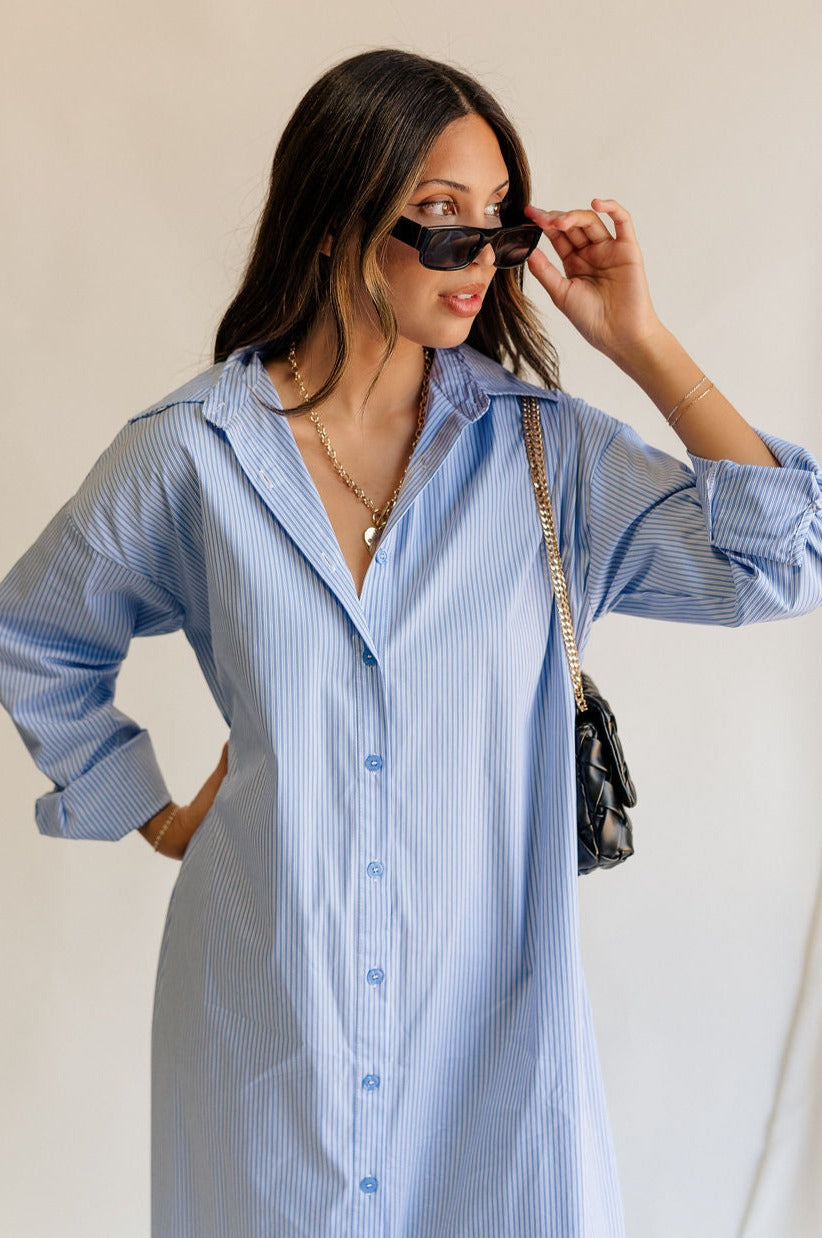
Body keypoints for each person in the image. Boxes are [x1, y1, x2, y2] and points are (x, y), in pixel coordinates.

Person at [1, 46, 821, 1238]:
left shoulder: (549, 457)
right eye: (441, 219)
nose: (479, 258)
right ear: (336, 218)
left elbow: (784, 561)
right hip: (266, 1023)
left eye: (498, 224)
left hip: (494, 1044)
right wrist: (154, 807)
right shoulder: (192, 453)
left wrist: (638, 340)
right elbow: (38, 631)